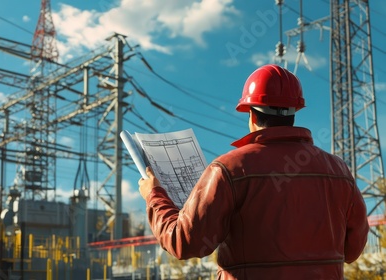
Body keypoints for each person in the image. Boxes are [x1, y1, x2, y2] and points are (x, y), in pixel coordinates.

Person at [138, 64, 369, 279]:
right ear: (293, 113)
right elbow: (352, 250)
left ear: (252, 115)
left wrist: (154, 195)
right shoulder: (339, 171)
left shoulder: (228, 169)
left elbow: (185, 242)